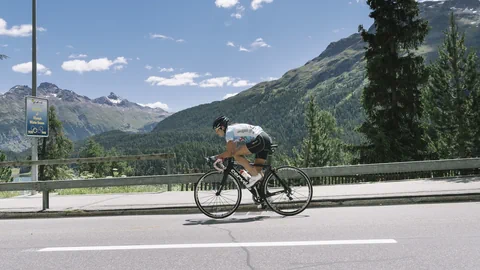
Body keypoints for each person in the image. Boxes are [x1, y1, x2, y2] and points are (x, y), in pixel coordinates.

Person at [210, 116, 272, 188]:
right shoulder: (232, 130)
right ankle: (265, 195)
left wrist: (215, 157)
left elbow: (231, 153)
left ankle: (255, 176)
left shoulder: (228, 132)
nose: (216, 132)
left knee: (236, 155)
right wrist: (223, 156)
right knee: (257, 170)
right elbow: (232, 149)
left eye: (217, 130)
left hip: (260, 139)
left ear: (222, 127)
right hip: (265, 138)